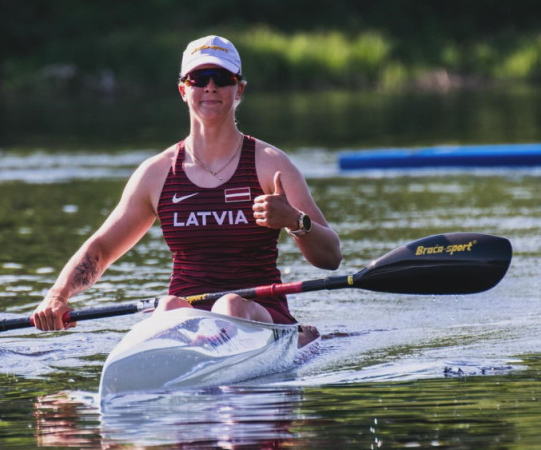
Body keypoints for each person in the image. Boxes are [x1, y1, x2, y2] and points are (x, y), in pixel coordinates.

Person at [32, 35, 341, 337]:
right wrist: (57, 297)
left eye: (222, 77)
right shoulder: (156, 173)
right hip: (186, 318)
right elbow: (100, 250)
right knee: (167, 306)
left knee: (230, 305)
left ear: (239, 90)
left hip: (258, 313)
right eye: (199, 78)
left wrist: (294, 222)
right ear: (183, 89)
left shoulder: (270, 164)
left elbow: (331, 257)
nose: (210, 86)